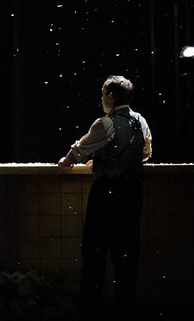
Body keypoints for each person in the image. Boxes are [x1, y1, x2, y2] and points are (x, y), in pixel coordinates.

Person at [57, 75, 153, 320]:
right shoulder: (140, 121)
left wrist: (66, 161)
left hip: (107, 193)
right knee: (127, 252)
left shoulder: (104, 123)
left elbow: (79, 150)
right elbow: (145, 153)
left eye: (103, 93)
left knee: (94, 251)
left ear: (110, 97)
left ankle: (90, 309)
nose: (101, 98)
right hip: (133, 191)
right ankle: (124, 308)